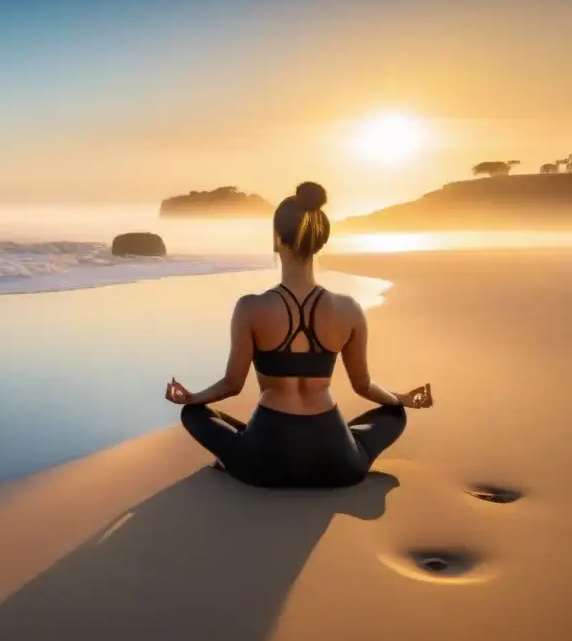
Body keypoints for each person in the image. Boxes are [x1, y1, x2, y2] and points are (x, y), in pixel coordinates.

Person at [165, 181, 432, 488]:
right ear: (319, 241)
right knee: (395, 415)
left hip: (265, 462)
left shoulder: (250, 308)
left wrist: (192, 398)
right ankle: (346, 443)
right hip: (337, 463)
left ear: (277, 240)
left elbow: (232, 385)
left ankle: (237, 451)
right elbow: (364, 386)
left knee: (193, 415)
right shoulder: (349, 309)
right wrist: (401, 399)